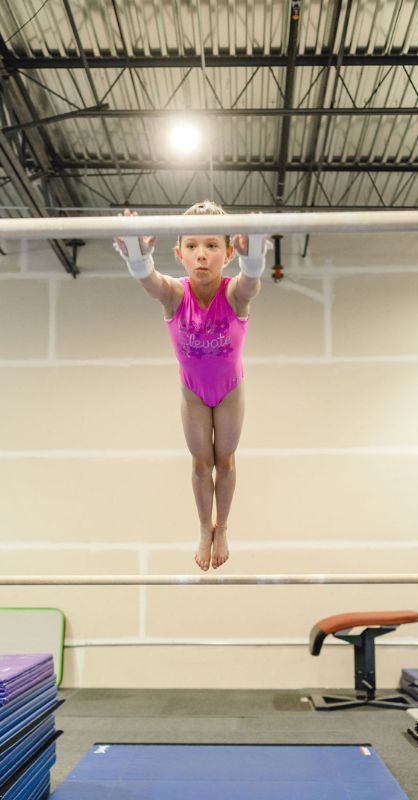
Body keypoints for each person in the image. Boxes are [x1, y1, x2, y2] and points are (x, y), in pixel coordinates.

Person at [114, 201, 268, 571]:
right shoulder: (175, 294)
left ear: (229, 253)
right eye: (193, 246)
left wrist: (255, 258)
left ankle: (223, 527)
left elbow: (250, 285)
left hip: (230, 391)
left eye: (213, 246)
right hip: (193, 394)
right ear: (179, 253)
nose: (202, 255)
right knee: (201, 464)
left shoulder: (232, 295)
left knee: (225, 461)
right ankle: (204, 528)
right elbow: (149, 282)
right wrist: (139, 257)